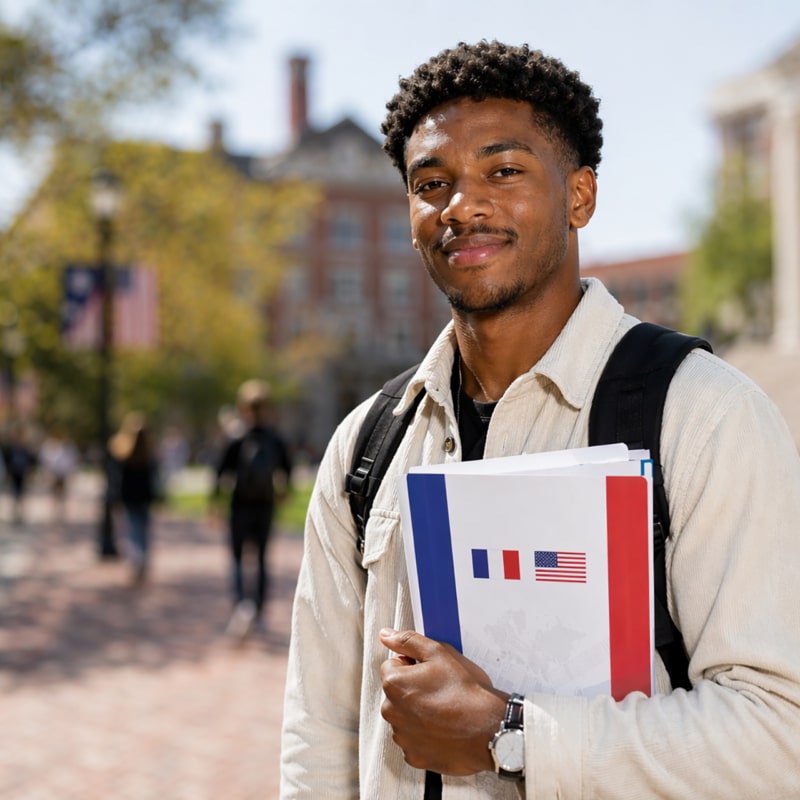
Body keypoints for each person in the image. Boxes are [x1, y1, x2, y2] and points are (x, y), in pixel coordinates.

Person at [280, 41, 800, 799]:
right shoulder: (367, 441)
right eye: (433, 184)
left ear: (579, 196)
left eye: (504, 170)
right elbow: (319, 732)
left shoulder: (702, 413)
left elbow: (777, 736)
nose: (463, 206)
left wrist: (509, 733)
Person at [213, 379, 293, 638]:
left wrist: (215, 501)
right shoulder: (275, 438)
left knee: (238, 558)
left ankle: (241, 605)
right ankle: (258, 612)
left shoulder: (237, 437)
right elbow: (286, 470)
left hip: (240, 504)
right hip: (265, 504)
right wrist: (283, 492)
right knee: (260, 559)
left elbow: (221, 472)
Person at [109, 411, 161, 584]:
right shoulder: (148, 453)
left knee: (132, 531)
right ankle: (141, 561)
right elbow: (154, 478)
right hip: (143, 498)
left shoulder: (124, 452)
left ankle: (136, 561)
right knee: (142, 530)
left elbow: (118, 478)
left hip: (130, 497)